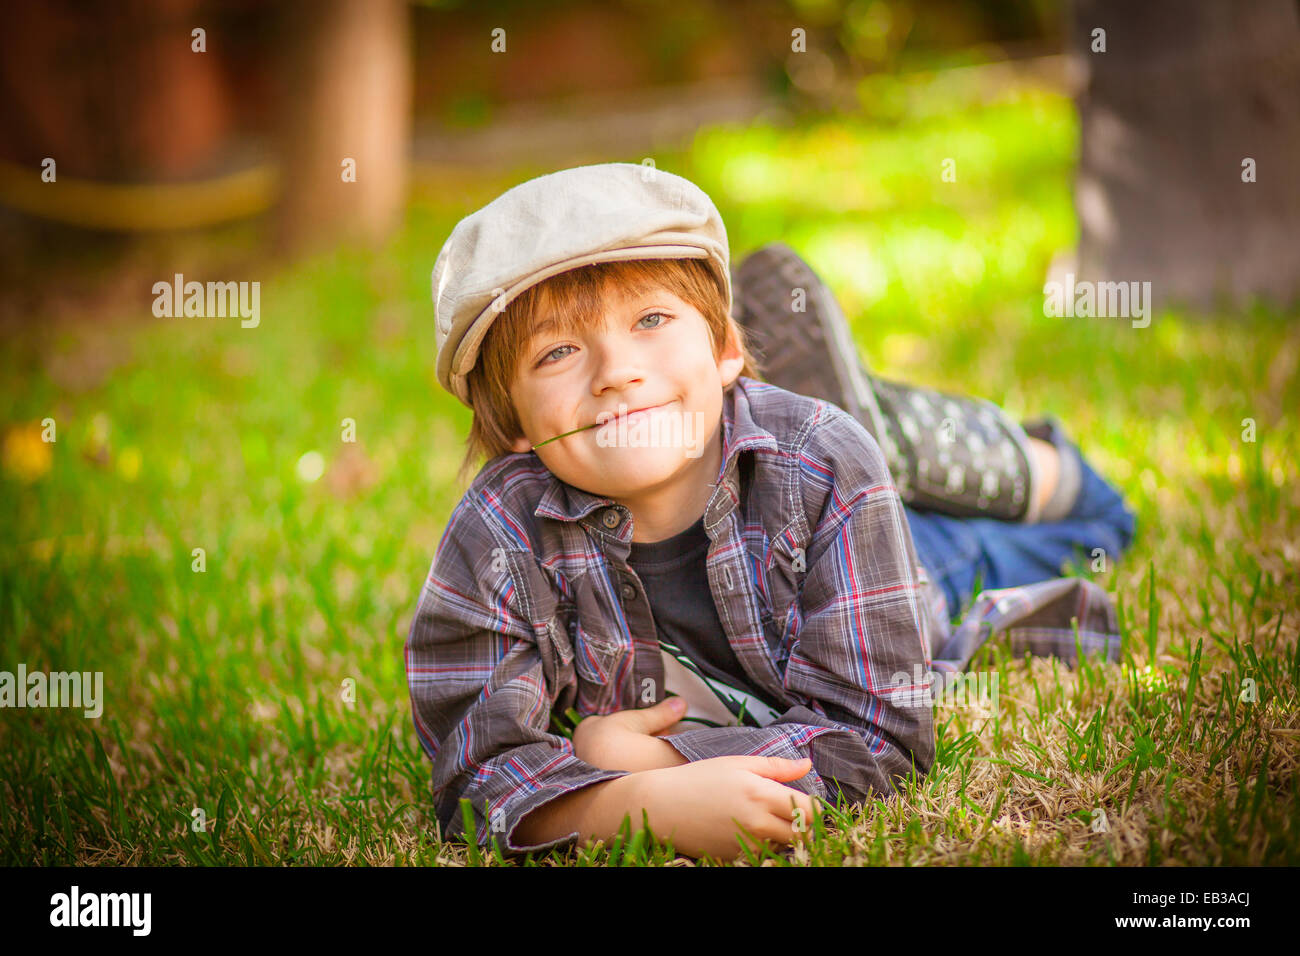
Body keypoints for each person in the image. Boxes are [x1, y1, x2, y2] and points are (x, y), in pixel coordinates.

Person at [406, 162, 1136, 862]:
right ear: (515, 428)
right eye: (558, 352)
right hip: (805, 503)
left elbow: (877, 735)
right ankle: (874, 424)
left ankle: (994, 455)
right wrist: (629, 805)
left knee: (1091, 528)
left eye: (652, 318)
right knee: (847, 454)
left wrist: (655, 759)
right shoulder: (500, 530)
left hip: (861, 542)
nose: (616, 373)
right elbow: (474, 767)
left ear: (725, 348)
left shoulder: (822, 467)